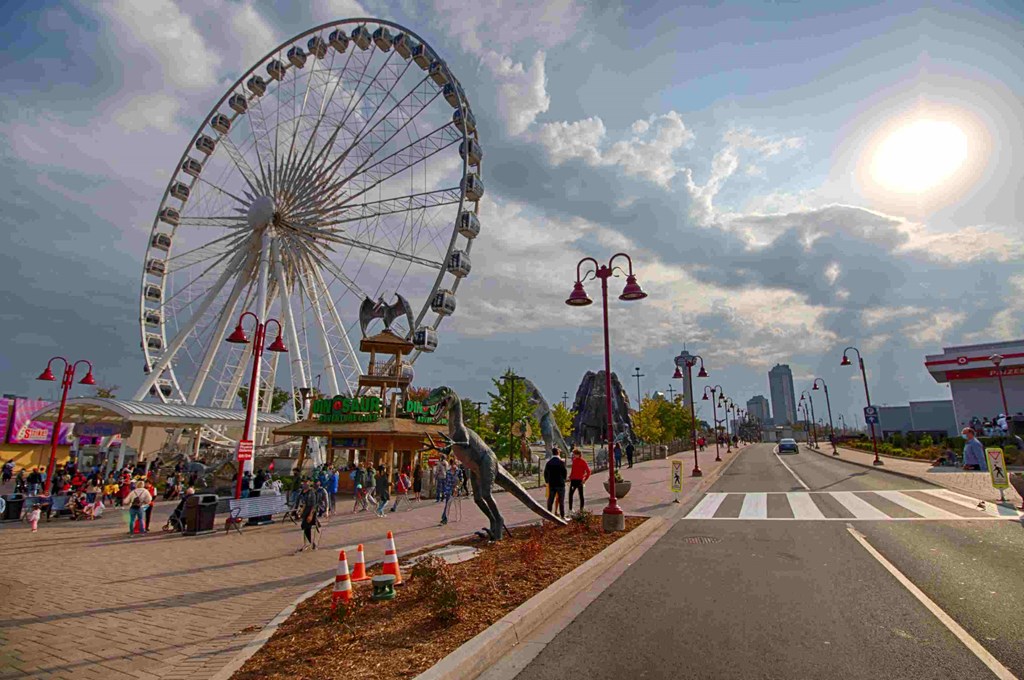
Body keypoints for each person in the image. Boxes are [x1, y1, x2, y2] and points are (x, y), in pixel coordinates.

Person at [295, 480, 319, 551]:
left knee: (313, 527)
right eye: (304, 483)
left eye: (306, 483)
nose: (304, 484)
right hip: (304, 513)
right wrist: (298, 512)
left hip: (310, 513)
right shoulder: (301, 492)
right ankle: (309, 543)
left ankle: (312, 544)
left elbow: (314, 505)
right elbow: (299, 503)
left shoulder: (311, 493)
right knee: (305, 527)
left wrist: (310, 515)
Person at [544, 447, 568, 519]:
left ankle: (549, 515)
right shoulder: (561, 462)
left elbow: (545, 473)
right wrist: (563, 479)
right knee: (561, 501)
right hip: (560, 483)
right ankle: (562, 515)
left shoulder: (549, 462)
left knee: (550, 500)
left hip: (552, 483)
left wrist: (547, 481)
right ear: (558, 453)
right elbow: (565, 472)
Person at [569, 447, 591, 512]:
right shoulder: (574, 461)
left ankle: (581, 509)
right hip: (573, 480)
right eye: (574, 454)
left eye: (575, 454)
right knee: (570, 494)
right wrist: (570, 477)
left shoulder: (583, 462)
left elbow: (588, 471)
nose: (574, 455)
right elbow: (573, 470)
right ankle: (570, 509)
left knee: (581, 495)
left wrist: (585, 479)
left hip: (579, 480)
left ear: (578, 454)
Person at [439, 458, 458, 525]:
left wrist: (457, 487)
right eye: (453, 464)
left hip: (456, 490)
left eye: (455, 464)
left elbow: (461, 480)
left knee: (455, 505)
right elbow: (447, 482)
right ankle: (444, 519)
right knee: (447, 504)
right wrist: (445, 491)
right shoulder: (448, 472)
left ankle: (456, 517)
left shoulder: (458, 471)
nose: (455, 465)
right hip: (449, 490)